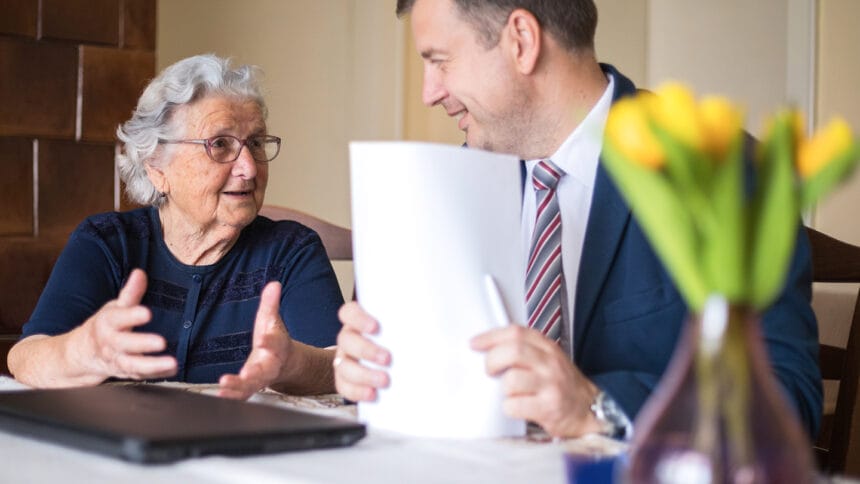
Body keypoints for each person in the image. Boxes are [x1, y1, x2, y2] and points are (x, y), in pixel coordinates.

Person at [334, 0, 822, 439]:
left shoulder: (719, 171)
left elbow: (787, 399)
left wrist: (596, 405)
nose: (429, 93)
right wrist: (373, 368)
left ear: (521, 41)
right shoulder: (450, 184)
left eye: (439, 61)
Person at [7, 54, 343, 400]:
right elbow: (25, 357)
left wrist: (292, 365)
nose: (249, 168)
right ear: (156, 166)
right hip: (124, 447)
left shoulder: (290, 250)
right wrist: (83, 353)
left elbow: (340, 366)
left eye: (255, 143)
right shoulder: (108, 243)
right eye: (220, 144)